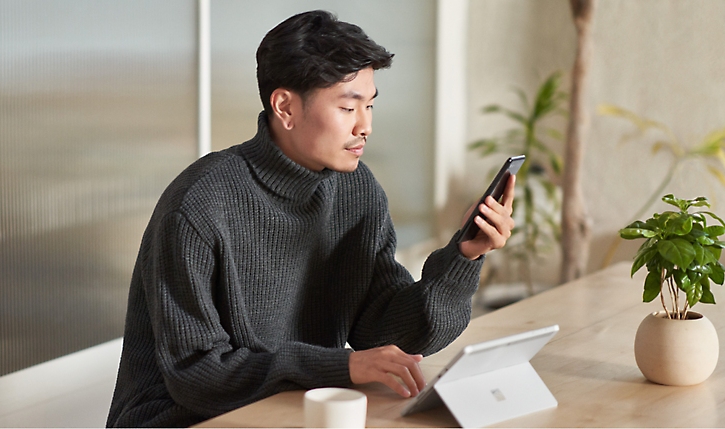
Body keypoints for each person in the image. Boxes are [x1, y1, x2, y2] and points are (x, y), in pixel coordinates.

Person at [106, 10, 514, 428]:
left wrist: (463, 257)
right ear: (284, 107)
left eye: (370, 105)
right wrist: (342, 367)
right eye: (348, 107)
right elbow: (196, 377)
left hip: (296, 408)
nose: (366, 125)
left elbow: (389, 338)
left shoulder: (356, 190)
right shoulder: (198, 205)